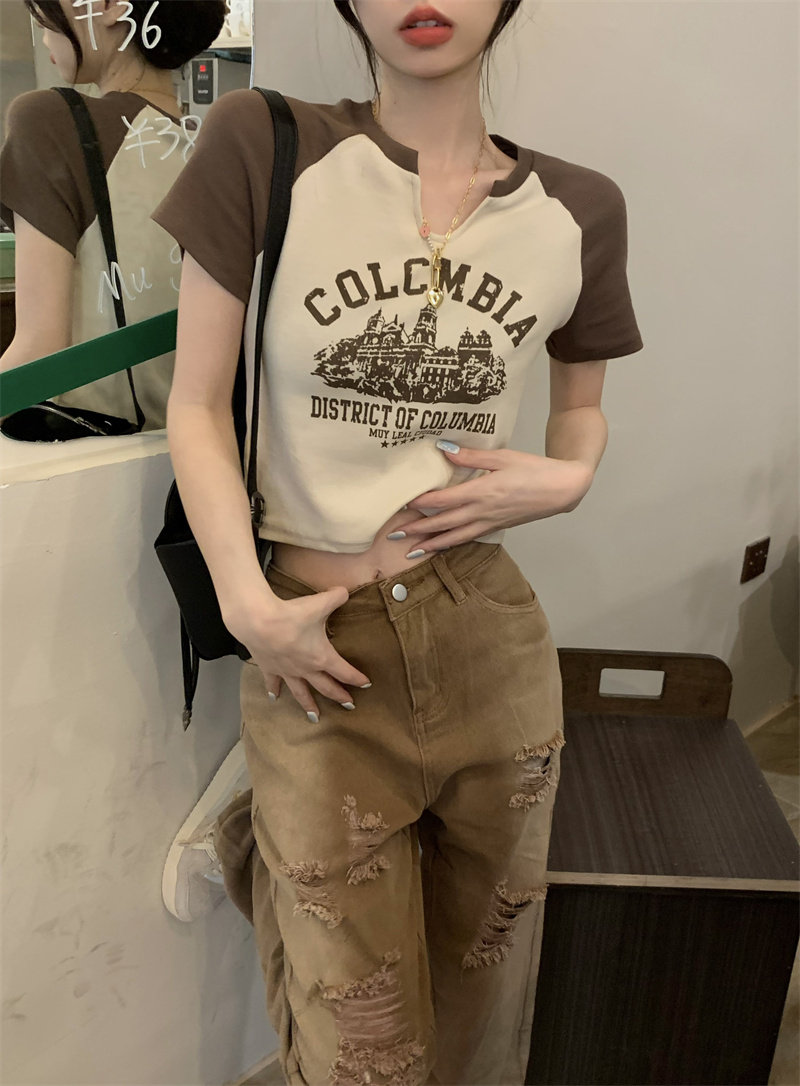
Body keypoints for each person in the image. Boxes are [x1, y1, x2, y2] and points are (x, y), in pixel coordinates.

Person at [152, 1, 644, 1083]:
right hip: (316, 651)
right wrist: (246, 603)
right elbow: (196, 403)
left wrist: (570, 479)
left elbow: (581, 408)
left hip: (487, 636)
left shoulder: (578, 207)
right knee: (357, 1035)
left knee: (486, 987)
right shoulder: (263, 143)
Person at [0, 0, 226, 434]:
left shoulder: (51, 121)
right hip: (196, 448)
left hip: (87, 451)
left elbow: (39, 352)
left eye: (45, 14)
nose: (44, 33)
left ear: (107, 6)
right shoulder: (209, 153)